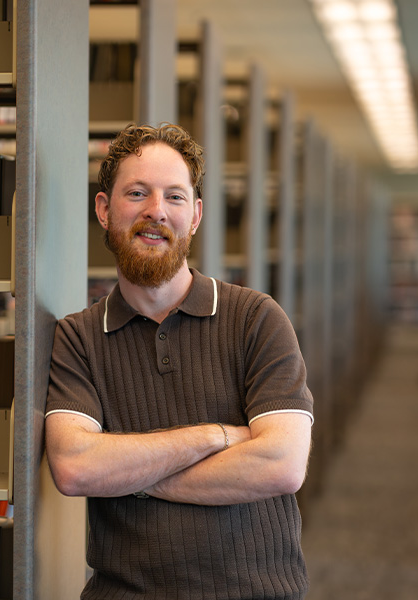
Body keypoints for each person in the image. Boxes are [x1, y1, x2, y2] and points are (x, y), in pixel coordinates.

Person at [44, 123, 314, 599]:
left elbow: (282, 464)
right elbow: (76, 468)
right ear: (104, 210)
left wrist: (132, 475)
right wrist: (217, 436)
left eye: (174, 196)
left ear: (195, 216)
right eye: (137, 193)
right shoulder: (78, 337)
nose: (156, 211)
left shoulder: (256, 318)